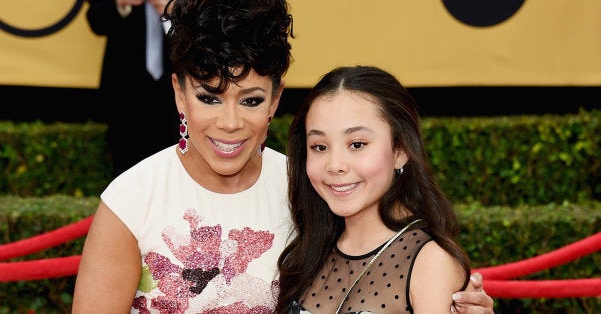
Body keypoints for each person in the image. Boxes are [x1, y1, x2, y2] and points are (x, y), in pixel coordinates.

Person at [73, 0, 494, 312]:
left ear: (276, 98)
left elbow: (383, 268)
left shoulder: (312, 186)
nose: (231, 123)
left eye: (251, 100)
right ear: (179, 93)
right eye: (209, 98)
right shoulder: (132, 199)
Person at [277, 65, 490, 313]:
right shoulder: (308, 250)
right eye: (320, 147)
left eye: (357, 144)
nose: (335, 165)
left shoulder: (430, 262)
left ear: (400, 151)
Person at [86, 0, 180, 176]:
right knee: (125, 170)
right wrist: (121, 3)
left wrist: (176, 9)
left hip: (179, 90)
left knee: (176, 170)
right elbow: (97, 21)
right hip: (125, 93)